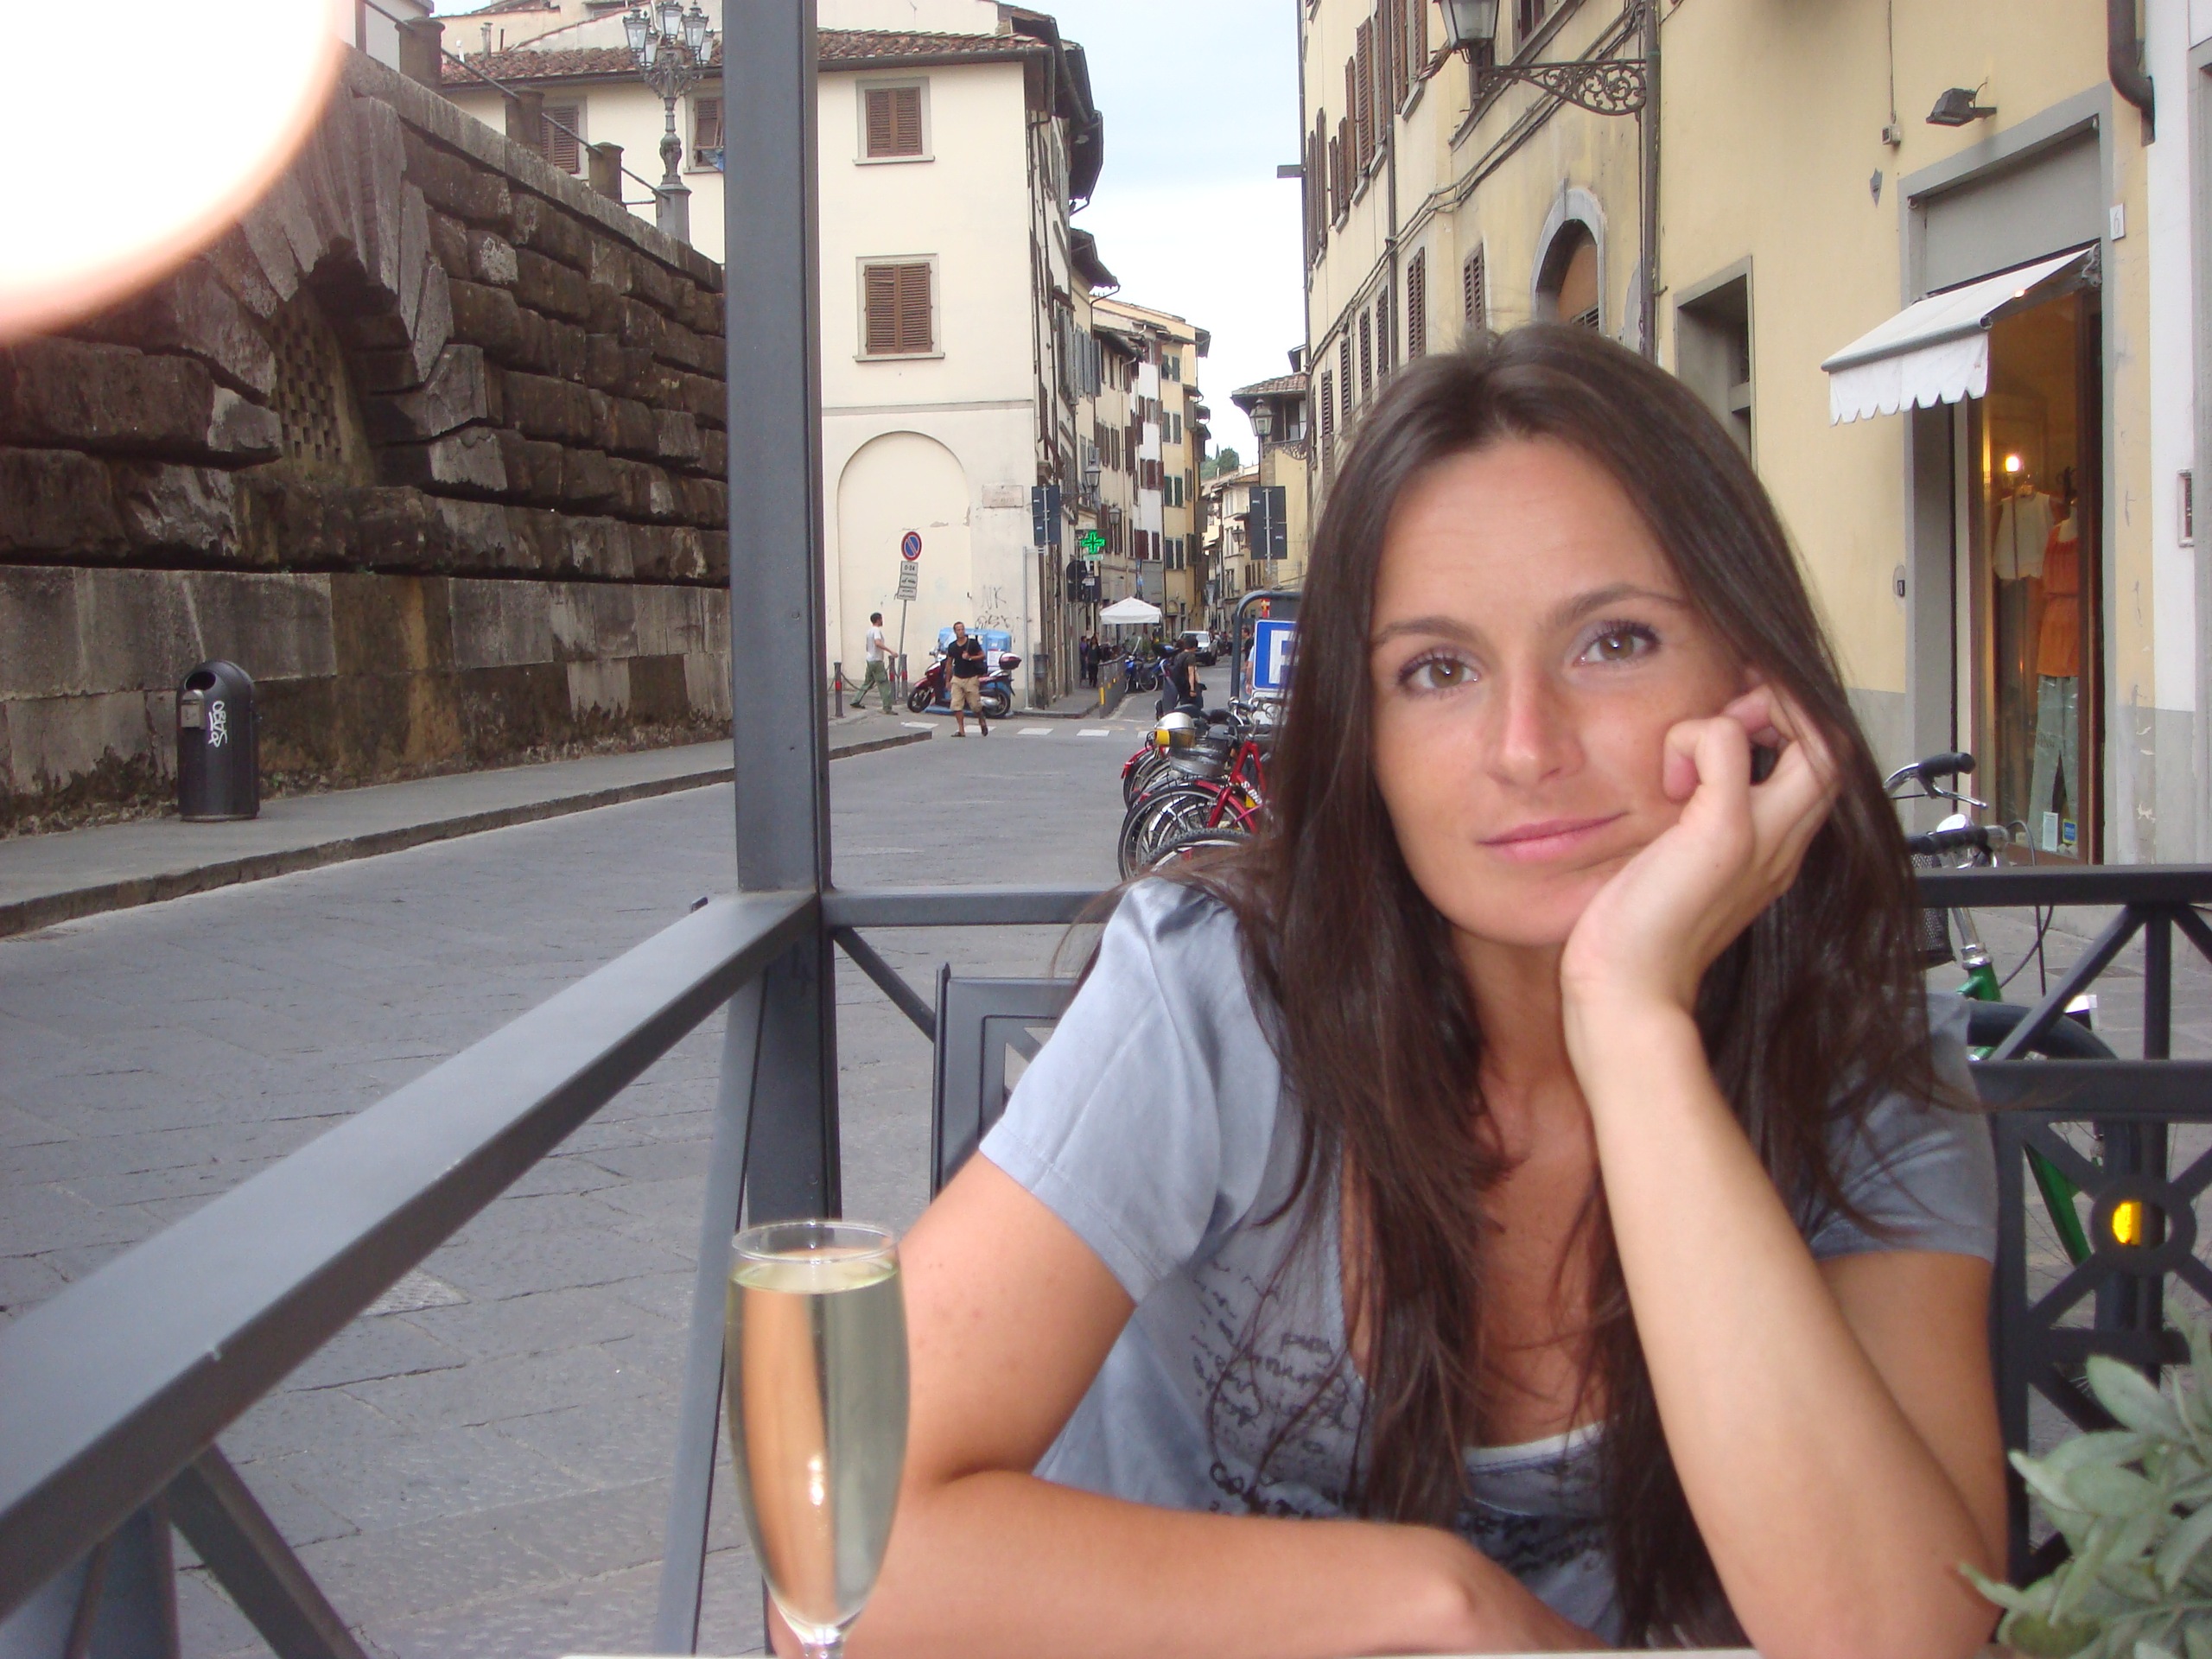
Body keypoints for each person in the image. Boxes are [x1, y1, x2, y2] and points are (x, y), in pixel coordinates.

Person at [855, 327, 2005, 1659]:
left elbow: (1906, 1640)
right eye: (1438, 671)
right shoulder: (1219, 1003)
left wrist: (1634, 1030)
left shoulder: (1857, 1058)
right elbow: (840, 1543)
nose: (1527, 748)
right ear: (1367, 738)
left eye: (1615, 641)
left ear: (1756, 687)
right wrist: (1436, 1599)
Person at [944, 620, 989, 738]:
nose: (961, 631)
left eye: (962, 629)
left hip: (971, 678)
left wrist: (970, 658)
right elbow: (949, 664)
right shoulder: (952, 646)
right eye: (958, 630)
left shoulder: (972, 643)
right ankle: (961, 730)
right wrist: (948, 680)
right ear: (955, 632)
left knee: (975, 706)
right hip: (957, 678)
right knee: (956, 705)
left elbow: (982, 655)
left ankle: (981, 719)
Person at [857, 612, 893, 714]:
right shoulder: (877, 630)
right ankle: (887, 708)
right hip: (877, 661)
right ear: (878, 620)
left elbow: (867, 646)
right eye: (881, 619)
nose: (882, 621)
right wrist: (891, 651)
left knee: (867, 682)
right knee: (884, 684)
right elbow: (877, 643)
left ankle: (855, 700)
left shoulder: (869, 631)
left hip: (870, 659)